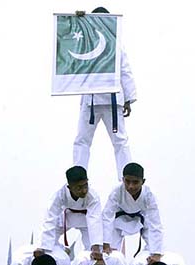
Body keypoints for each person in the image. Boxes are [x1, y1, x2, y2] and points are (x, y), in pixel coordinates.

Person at [72, 7, 137, 181]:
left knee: (120, 141)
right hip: (91, 99)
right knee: (82, 139)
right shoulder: (85, 41)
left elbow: (125, 71)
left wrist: (129, 99)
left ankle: (127, 177)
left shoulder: (116, 44)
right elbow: (70, 41)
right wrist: (78, 20)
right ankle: (78, 176)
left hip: (112, 99)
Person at [102, 163, 163, 262]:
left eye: (135, 182)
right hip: (119, 219)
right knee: (109, 255)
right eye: (127, 181)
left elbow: (155, 223)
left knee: (155, 250)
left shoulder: (149, 195)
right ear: (123, 179)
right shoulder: (116, 192)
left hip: (142, 219)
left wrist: (156, 254)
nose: (131, 186)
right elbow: (107, 216)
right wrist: (105, 244)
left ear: (143, 182)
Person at [39, 166, 103, 254]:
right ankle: (62, 250)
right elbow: (50, 217)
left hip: (85, 220)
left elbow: (95, 220)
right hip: (66, 217)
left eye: (85, 185)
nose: (84, 191)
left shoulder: (93, 196)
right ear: (69, 187)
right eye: (79, 188)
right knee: (48, 244)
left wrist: (96, 246)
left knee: (92, 249)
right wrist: (43, 247)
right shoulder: (60, 195)